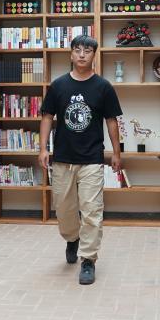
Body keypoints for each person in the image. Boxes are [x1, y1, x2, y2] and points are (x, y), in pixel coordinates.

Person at [38, 34, 122, 285]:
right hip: (62, 159)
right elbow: (47, 117)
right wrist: (42, 148)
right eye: (78, 50)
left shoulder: (103, 87)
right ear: (71, 54)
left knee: (92, 211)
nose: (82, 54)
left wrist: (116, 153)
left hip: (92, 160)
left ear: (94, 55)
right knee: (64, 211)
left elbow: (111, 121)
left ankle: (88, 260)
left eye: (87, 50)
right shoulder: (58, 86)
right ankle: (72, 239)